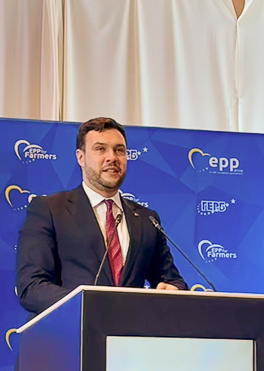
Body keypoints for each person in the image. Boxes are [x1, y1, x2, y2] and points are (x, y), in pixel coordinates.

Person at [15, 117, 186, 317]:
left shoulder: (146, 219)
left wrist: (173, 289)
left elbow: (172, 280)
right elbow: (32, 287)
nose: (112, 157)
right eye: (100, 149)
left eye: (119, 150)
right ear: (81, 157)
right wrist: (92, 305)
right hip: (72, 332)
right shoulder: (50, 210)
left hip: (131, 333)